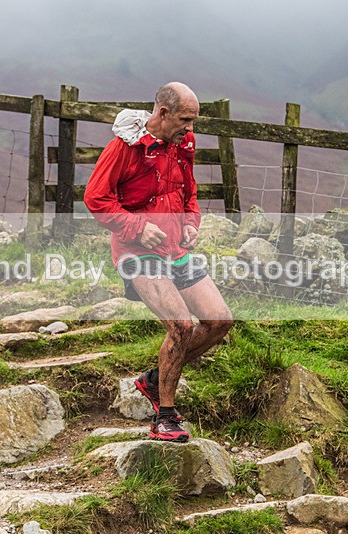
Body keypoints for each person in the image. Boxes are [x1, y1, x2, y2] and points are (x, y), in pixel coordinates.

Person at [84, 82, 233, 442]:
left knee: (219, 320)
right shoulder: (125, 146)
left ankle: (154, 379)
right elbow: (95, 198)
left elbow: (189, 190)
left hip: (175, 250)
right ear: (163, 113)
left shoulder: (185, 143)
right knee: (180, 326)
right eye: (185, 119)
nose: (190, 128)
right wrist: (135, 226)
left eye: (194, 121)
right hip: (136, 253)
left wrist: (191, 223)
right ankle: (164, 416)